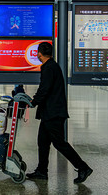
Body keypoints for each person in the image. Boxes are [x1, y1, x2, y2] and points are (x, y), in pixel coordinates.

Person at [27, 42, 93, 184]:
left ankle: (83, 167)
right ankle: (41, 171)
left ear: (39, 53)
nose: (37, 55)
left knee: (59, 143)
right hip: (50, 113)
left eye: (37, 53)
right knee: (43, 142)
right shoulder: (51, 66)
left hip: (53, 113)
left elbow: (45, 89)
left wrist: (33, 102)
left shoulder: (49, 68)